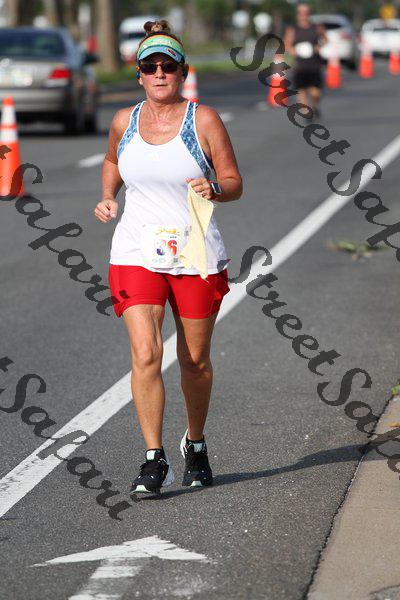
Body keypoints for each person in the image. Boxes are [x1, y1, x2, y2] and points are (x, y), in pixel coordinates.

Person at [94, 20, 242, 496]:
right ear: (138, 74)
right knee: (145, 353)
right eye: (150, 66)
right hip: (135, 250)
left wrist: (214, 188)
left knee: (194, 360)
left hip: (195, 253)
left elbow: (234, 182)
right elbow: (113, 160)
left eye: (168, 66)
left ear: (183, 72)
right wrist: (108, 196)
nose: (159, 73)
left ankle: (194, 443)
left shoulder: (204, 121)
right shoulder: (125, 121)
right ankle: (153, 457)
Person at [284, 3, 327, 118]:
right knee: (301, 90)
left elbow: (325, 39)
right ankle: (306, 112)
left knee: (315, 93)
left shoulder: (316, 28)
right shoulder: (293, 29)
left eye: (306, 13)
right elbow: (287, 44)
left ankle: (315, 105)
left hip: (314, 64)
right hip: (300, 66)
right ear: (297, 14)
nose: (304, 15)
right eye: (301, 13)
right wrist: (293, 50)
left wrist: (319, 47)